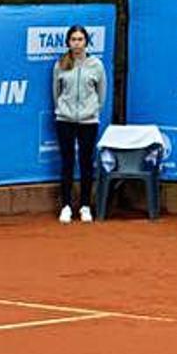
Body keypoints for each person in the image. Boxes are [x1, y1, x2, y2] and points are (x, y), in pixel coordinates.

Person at [52, 24, 107, 223]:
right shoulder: (61, 64)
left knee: (86, 163)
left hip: (88, 121)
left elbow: (101, 95)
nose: (77, 43)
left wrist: (91, 111)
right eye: (73, 39)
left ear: (86, 42)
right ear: (68, 42)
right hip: (64, 120)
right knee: (67, 163)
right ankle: (66, 206)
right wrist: (62, 110)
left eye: (80, 39)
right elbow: (56, 92)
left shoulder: (96, 65)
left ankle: (85, 206)